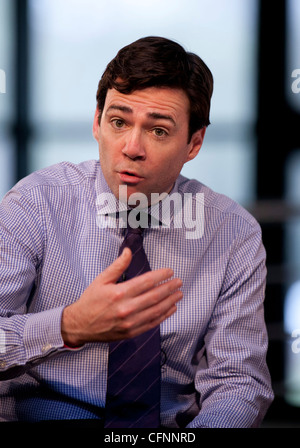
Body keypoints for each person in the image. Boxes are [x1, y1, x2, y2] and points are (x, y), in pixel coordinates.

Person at [0, 36, 273, 427]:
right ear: (97, 123)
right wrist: (70, 325)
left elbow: (238, 382)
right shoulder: (36, 203)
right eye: (118, 122)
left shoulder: (232, 234)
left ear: (194, 142)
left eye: (158, 131)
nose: (131, 147)